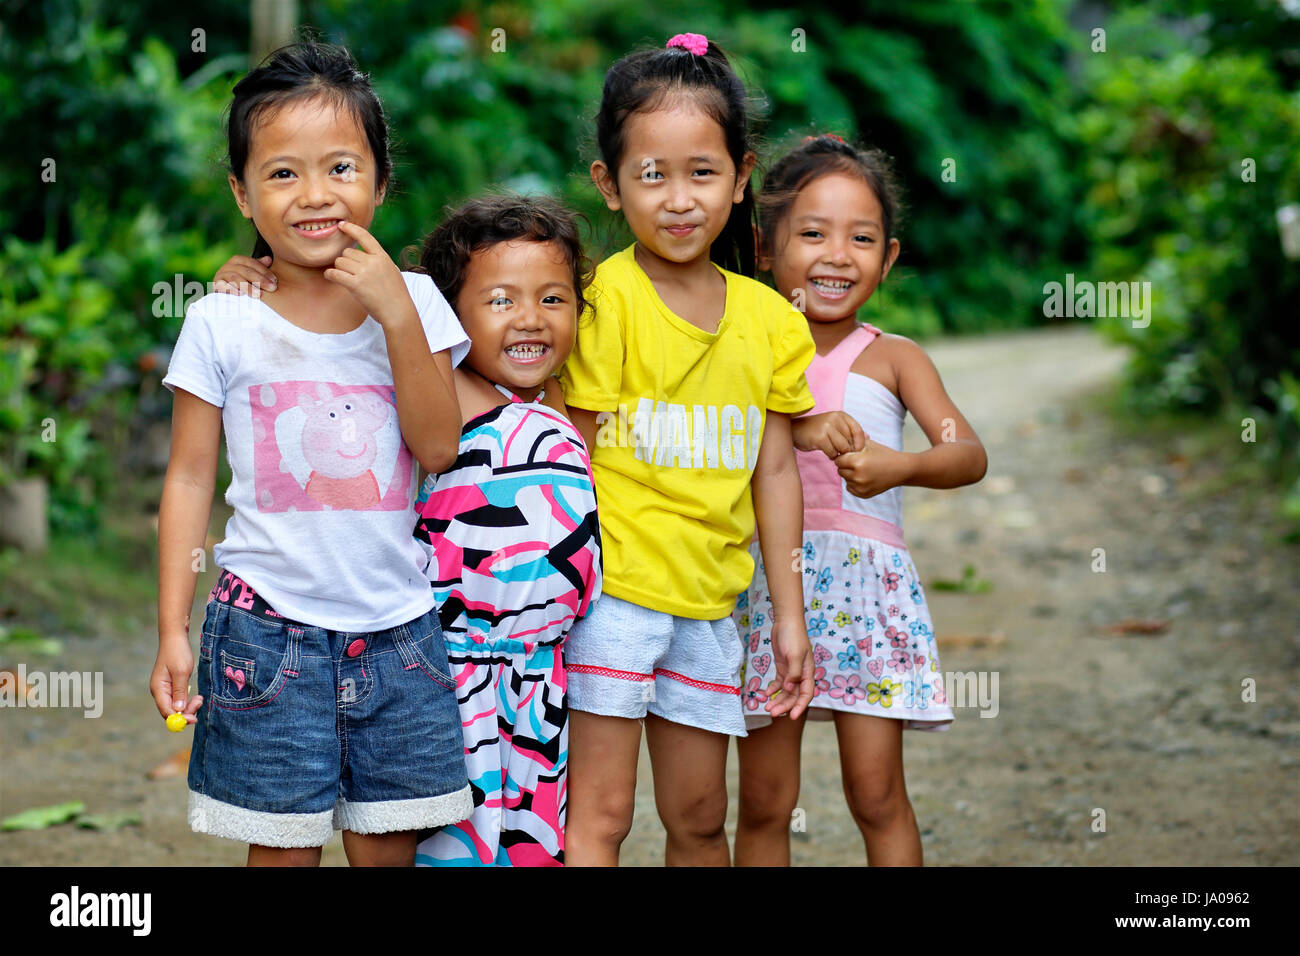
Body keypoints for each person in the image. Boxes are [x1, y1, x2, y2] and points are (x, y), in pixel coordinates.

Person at [150, 41, 472, 866]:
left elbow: (437, 448)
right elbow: (188, 477)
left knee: (386, 849)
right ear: (242, 193)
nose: (315, 195)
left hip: (398, 630)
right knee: (285, 851)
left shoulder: (422, 303)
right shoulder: (223, 318)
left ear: (380, 181)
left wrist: (395, 312)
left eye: (340, 167)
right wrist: (172, 630)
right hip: (263, 631)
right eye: (283, 174)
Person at [559, 32, 816, 866]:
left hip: (712, 605)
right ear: (610, 185)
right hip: (612, 598)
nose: (679, 199)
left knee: (700, 820)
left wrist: (787, 613)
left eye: (702, 173)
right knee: (600, 820)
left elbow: (776, 470)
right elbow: (571, 451)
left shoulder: (772, 319)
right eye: (652, 174)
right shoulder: (600, 302)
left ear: (741, 179)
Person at [733, 134, 987, 866]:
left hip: (867, 598)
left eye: (861, 238)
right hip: (766, 591)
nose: (837, 254)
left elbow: (965, 452)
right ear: (764, 246)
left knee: (876, 795)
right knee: (764, 802)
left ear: (890, 256)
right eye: (812, 233)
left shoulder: (895, 357)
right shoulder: (741, 345)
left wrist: (899, 464)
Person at [407, 196, 601, 866]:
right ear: (449, 318)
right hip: (449, 687)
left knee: (532, 851)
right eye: (499, 301)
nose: (530, 320)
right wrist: (247, 272)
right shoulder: (444, 397)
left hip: (541, 691)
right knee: (447, 852)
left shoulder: (564, 405)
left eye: (554, 299)